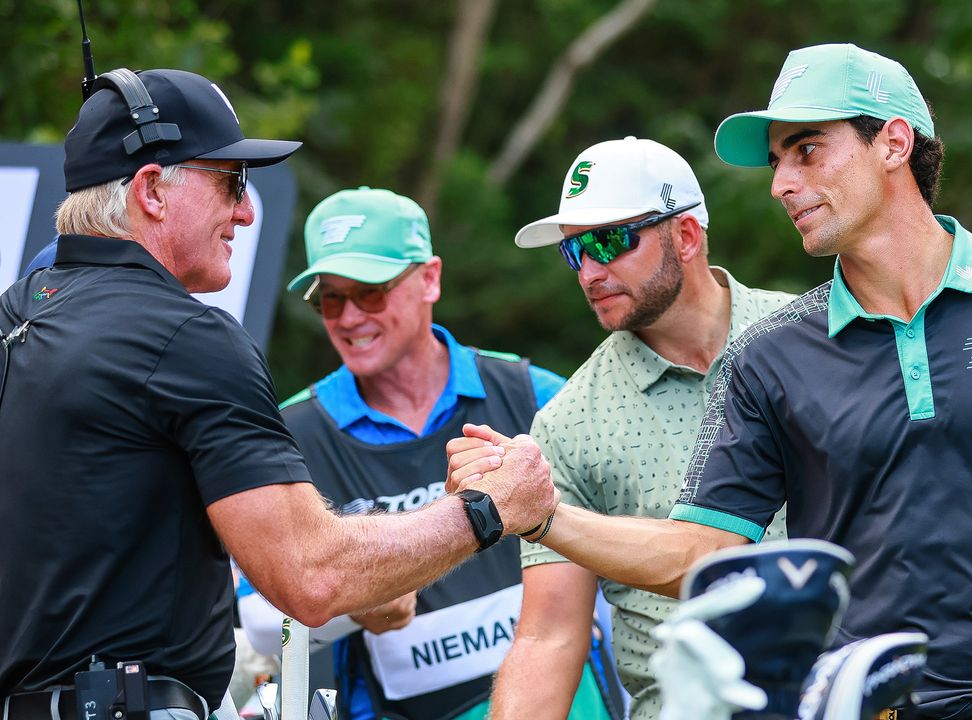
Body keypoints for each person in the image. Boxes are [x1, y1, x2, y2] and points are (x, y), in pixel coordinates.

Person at [449, 44, 972, 719]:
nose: (780, 184)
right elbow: (705, 551)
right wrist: (544, 517)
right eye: (777, 162)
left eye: (808, 150)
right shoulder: (768, 354)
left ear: (895, 144)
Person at [0, 68, 556, 720]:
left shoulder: (14, 315)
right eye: (229, 182)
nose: (246, 210)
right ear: (151, 191)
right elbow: (312, 578)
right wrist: (485, 511)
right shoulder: (184, 335)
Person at [244, 186, 611, 720]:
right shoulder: (289, 433)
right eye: (330, 299)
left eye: (370, 292)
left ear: (430, 279)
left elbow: (629, 529)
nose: (349, 318)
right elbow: (257, 619)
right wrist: (355, 608)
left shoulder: (531, 391)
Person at [484, 137, 793, 720]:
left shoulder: (818, 337)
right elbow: (549, 636)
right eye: (574, 252)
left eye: (608, 241)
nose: (590, 272)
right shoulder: (568, 422)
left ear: (686, 236)